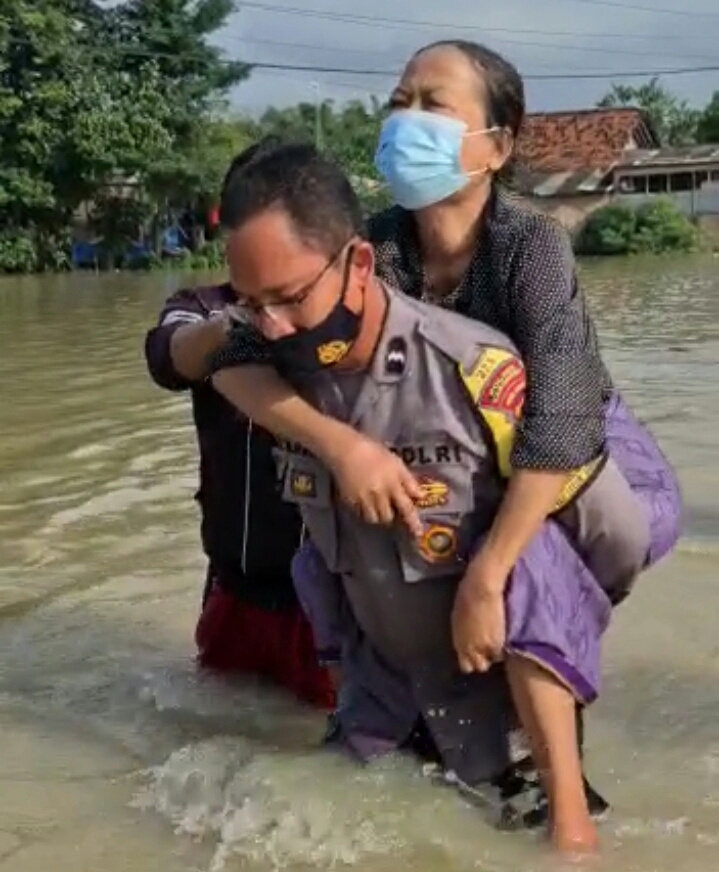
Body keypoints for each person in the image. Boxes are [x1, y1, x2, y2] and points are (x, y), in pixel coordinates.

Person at [199, 41, 680, 848]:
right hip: (462, 440)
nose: (403, 119)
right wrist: (345, 451)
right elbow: (237, 359)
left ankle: (550, 733)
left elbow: (557, 424)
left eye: (432, 104)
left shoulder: (528, 246)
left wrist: (488, 574)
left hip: (578, 443)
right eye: (398, 100)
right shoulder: (377, 246)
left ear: (496, 146)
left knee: (556, 546)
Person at [142, 140, 335, 711]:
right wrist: (245, 320)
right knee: (214, 723)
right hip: (235, 590)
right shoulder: (203, 308)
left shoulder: (342, 311)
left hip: (329, 604)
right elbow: (168, 358)